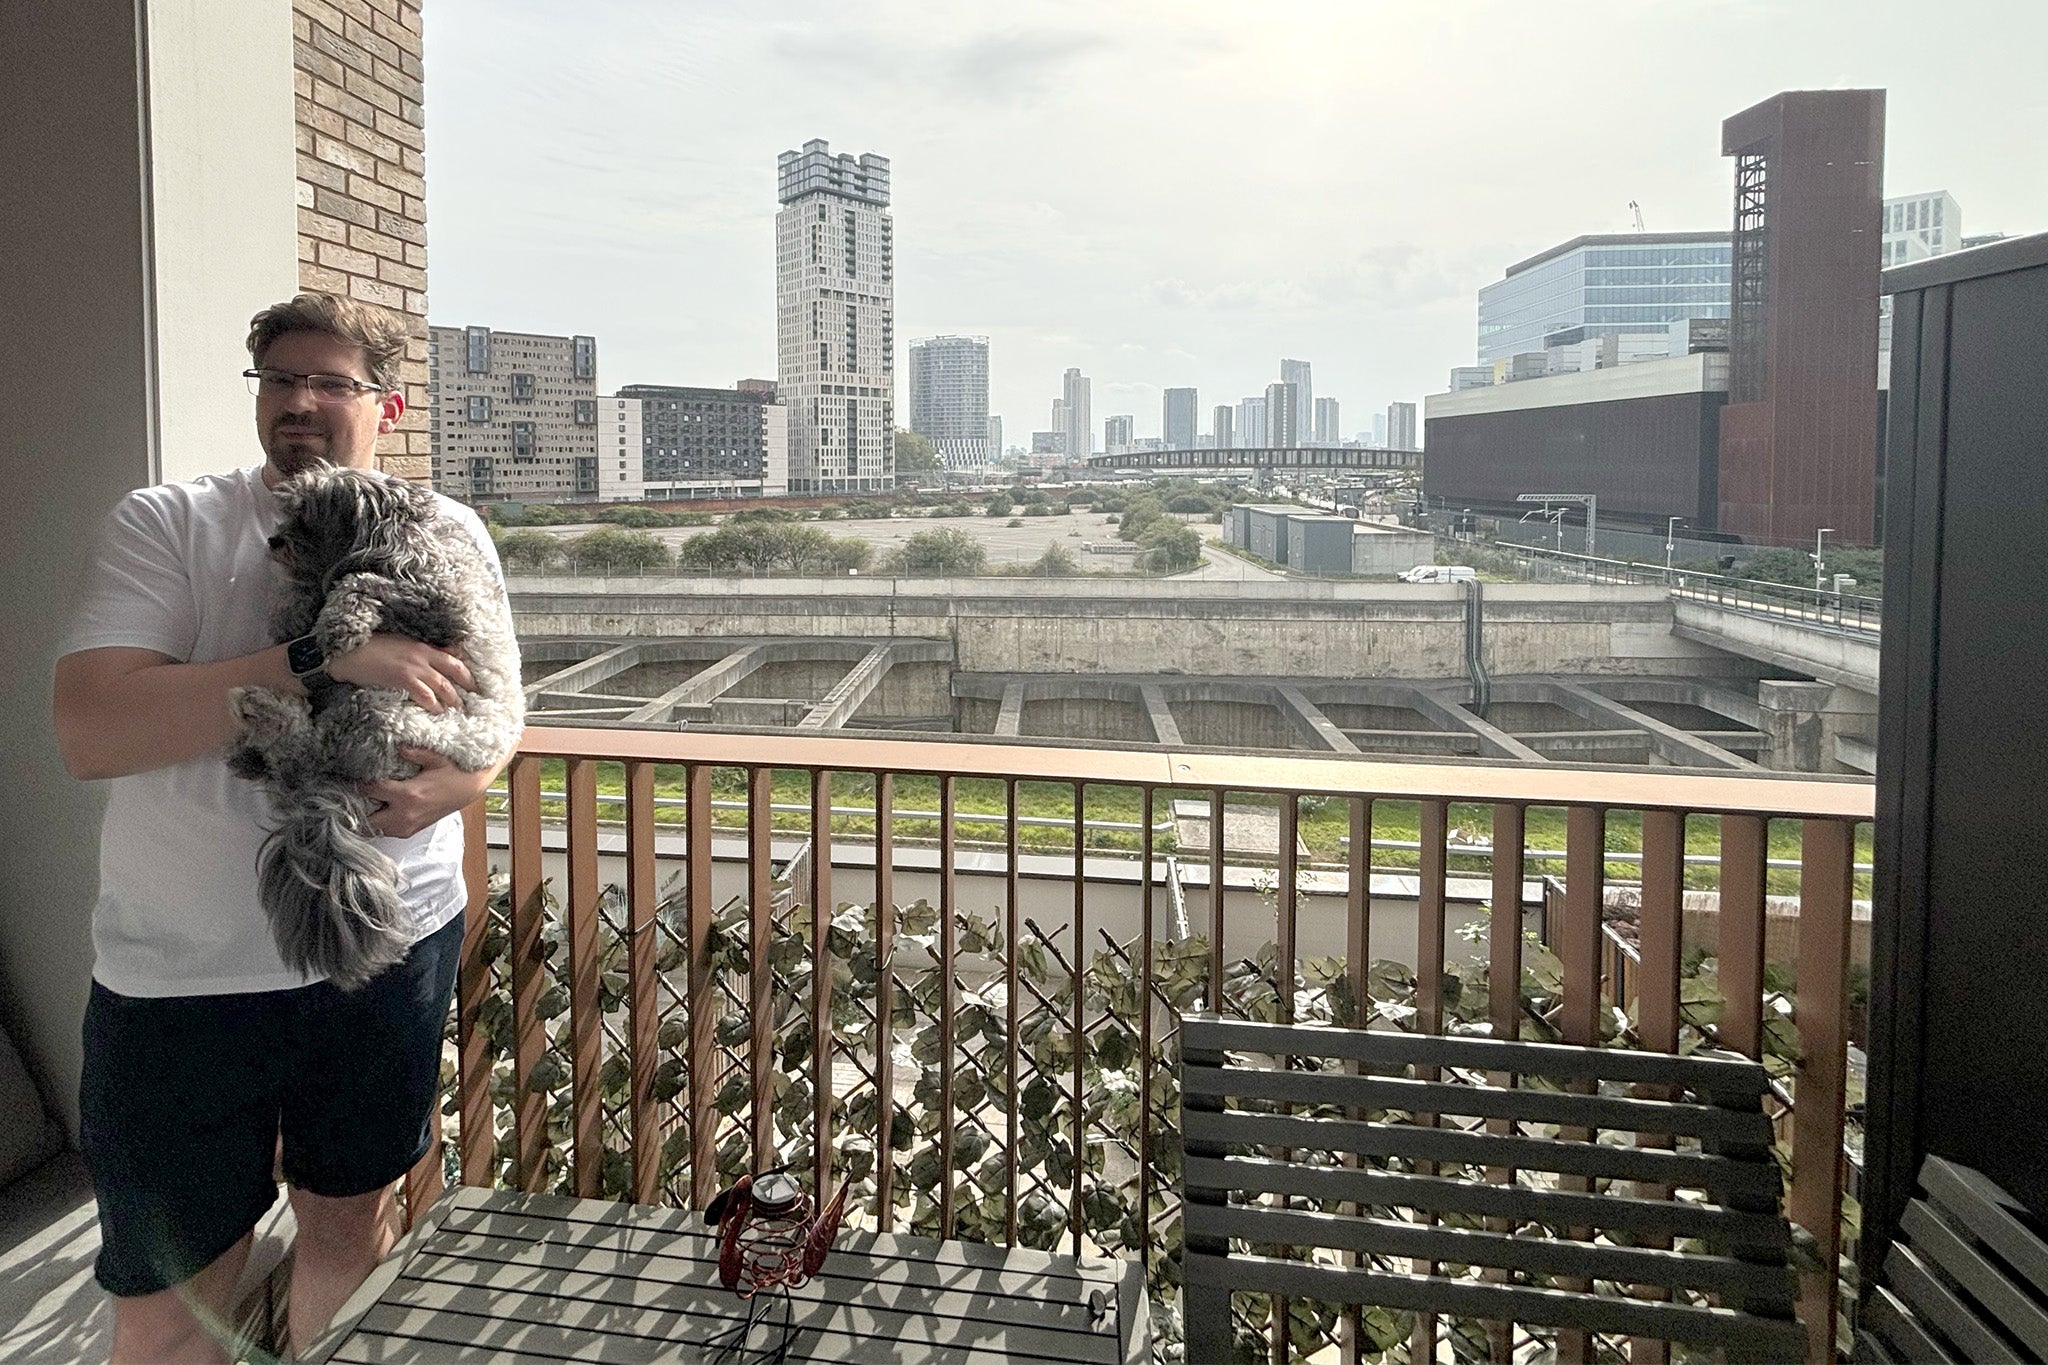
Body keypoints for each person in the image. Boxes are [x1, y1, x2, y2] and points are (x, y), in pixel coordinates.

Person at [52, 293, 512, 1363]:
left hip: (388, 949)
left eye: (330, 382)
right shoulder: (168, 522)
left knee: (352, 1232)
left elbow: (500, 706)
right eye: (278, 379)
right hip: (182, 978)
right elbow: (91, 730)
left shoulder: (449, 529)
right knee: (172, 1297)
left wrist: (471, 781)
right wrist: (318, 661)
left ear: (387, 405)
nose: (298, 402)